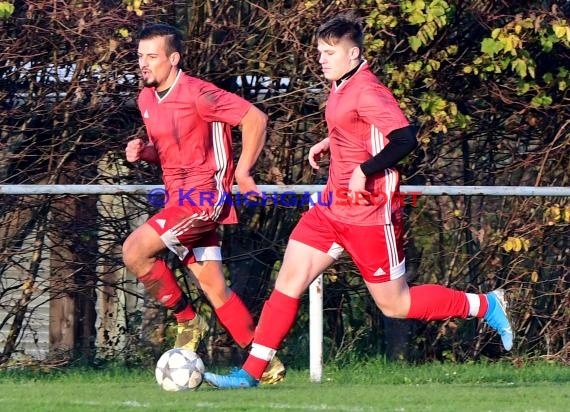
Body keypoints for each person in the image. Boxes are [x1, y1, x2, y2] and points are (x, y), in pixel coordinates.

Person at [203, 12, 513, 389]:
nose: (322, 59)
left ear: (353, 55)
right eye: (319, 51)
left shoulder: (367, 89)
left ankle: (486, 305)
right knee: (288, 282)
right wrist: (330, 141)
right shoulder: (341, 85)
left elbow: (404, 139)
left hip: (369, 213)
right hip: (331, 208)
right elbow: (359, 127)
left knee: (395, 305)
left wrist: (365, 169)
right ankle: (251, 374)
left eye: (329, 52)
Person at [122, 23, 285, 384]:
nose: (143, 64)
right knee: (214, 287)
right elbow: (170, 153)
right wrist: (144, 152)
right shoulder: (147, 99)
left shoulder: (199, 94)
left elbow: (255, 119)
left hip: (203, 199)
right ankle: (267, 365)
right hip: (177, 200)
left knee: (134, 251)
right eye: (139, 57)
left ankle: (185, 320)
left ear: (174, 59)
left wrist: (244, 172)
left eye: (152, 57)